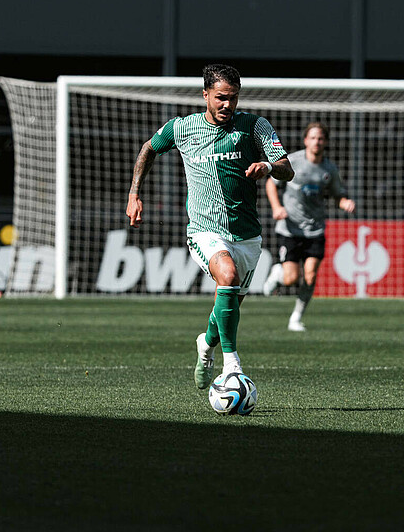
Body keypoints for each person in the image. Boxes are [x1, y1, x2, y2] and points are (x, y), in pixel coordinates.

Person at [126, 64, 293, 390]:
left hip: (247, 236)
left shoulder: (255, 126)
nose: (227, 105)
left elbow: (287, 169)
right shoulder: (182, 128)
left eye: (232, 98)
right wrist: (134, 193)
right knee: (227, 277)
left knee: (227, 304)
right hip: (204, 231)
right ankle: (232, 367)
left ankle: (206, 345)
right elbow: (148, 148)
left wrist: (269, 166)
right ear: (205, 95)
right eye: (220, 98)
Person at [261, 122, 355, 331]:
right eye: (312, 138)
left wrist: (344, 202)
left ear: (326, 142)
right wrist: (276, 207)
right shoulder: (292, 161)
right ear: (305, 140)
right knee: (291, 278)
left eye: (320, 138)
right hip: (290, 229)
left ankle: (296, 317)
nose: (316, 142)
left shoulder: (329, 169)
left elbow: (337, 195)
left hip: (315, 230)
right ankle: (278, 274)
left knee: (311, 275)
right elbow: (270, 183)